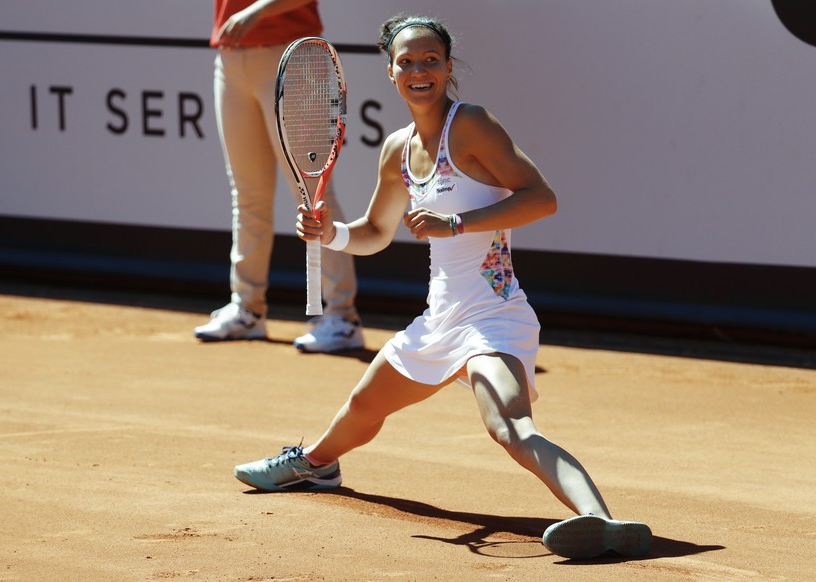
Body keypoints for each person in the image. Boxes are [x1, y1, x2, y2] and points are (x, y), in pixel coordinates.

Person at [233, 14, 652, 560]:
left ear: (449, 67)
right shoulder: (397, 149)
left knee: (510, 425)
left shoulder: (472, 125)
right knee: (362, 407)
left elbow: (541, 197)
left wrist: (455, 224)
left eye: (430, 60)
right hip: (438, 320)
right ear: (390, 73)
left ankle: (601, 520)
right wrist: (330, 233)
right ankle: (315, 464)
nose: (419, 71)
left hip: (494, 315)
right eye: (406, 62)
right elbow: (376, 232)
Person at [195, 0, 365, 353]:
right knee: (247, 194)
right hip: (229, 57)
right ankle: (248, 308)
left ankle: (342, 316)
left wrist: (256, 11)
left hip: (290, 57)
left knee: (314, 195)